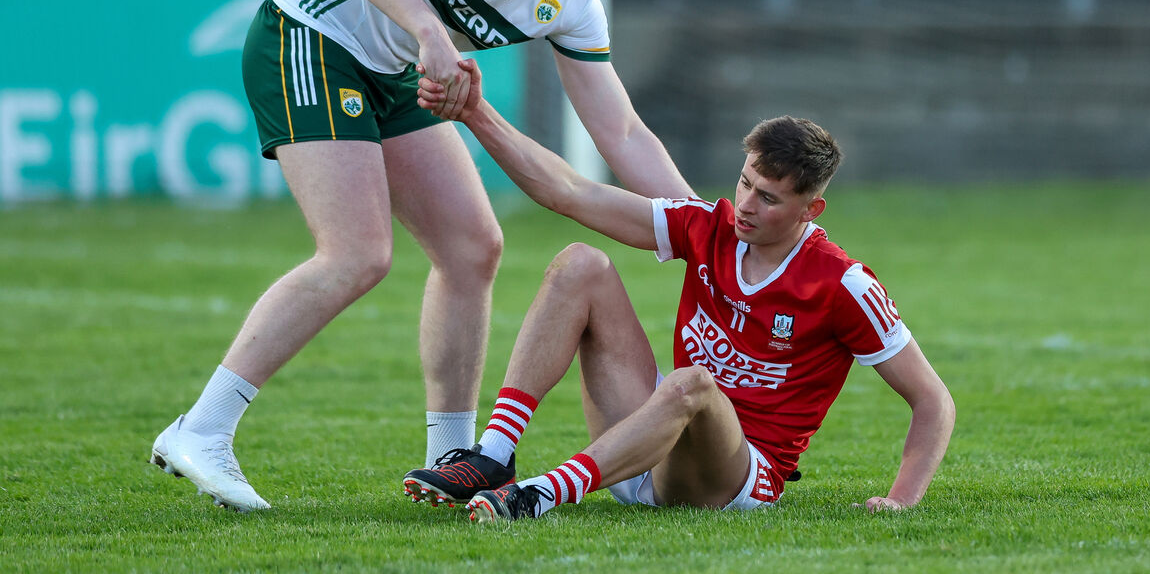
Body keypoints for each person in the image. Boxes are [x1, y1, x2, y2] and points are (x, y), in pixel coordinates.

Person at [149, 0, 697, 512]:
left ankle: (453, 458)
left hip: (394, 70)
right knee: (356, 254)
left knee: (473, 247)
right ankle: (201, 429)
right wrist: (430, 34)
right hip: (309, 35)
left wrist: (708, 224)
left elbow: (619, 129)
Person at [401, 59, 955, 521]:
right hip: (649, 448)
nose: (744, 204)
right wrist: (475, 112)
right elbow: (568, 191)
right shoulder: (708, 227)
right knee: (580, 265)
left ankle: (540, 495)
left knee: (694, 383)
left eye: (768, 197)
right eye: (744, 183)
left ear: (812, 209)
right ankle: (495, 454)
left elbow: (933, 400)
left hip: (734, 479)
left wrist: (901, 500)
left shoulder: (841, 283)